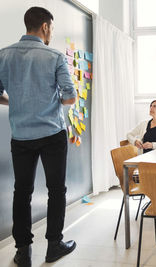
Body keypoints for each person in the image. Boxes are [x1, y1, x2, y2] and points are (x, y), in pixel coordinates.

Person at [0, 7, 77, 266]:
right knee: (56, 190)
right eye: (52, 29)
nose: (51, 34)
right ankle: (54, 245)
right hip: (52, 132)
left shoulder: (4, 55)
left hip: (21, 135)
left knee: (22, 192)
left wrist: (18, 102)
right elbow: (70, 96)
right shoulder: (54, 56)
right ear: (45, 27)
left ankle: (23, 252)